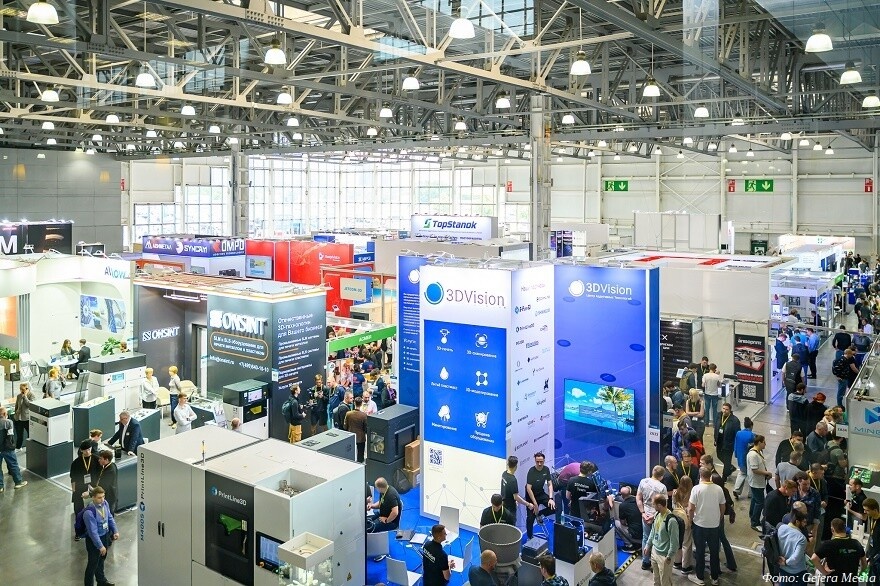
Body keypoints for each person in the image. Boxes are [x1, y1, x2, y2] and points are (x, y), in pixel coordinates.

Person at [688, 467, 725, 586]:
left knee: (700, 551)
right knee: (714, 551)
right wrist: (719, 518)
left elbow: (691, 508)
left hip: (700, 525)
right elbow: (722, 506)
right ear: (710, 476)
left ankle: (700, 577)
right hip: (714, 525)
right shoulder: (718, 489)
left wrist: (690, 520)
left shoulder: (696, 489)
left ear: (700, 476)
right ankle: (715, 577)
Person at [82, 485, 120, 586]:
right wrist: (100, 546)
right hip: (94, 541)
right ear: (93, 497)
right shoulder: (89, 512)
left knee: (101, 560)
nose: (102, 499)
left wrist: (115, 530)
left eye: (103, 496)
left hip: (104, 536)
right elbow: (92, 532)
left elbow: (110, 517)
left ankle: (101, 581)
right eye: (99, 497)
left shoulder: (105, 503)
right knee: (92, 564)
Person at [812, 517, 866, 583]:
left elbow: (814, 558)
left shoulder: (828, 544)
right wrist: (861, 576)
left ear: (832, 529)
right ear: (845, 529)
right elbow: (864, 563)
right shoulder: (856, 543)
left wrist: (824, 572)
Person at [636, 465, 668, 571]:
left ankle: (645, 562)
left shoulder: (643, 482)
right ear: (662, 476)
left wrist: (643, 513)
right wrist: (654, 516)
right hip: (657, 516)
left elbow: (638, 498)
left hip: (645, 515)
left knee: (645, 538)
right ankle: (656, 563)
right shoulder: (662, 487)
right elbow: (664, 505)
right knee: (657, 539)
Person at [645, 494, 677, 586]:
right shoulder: (657, 515)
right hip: (654, 552)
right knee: (656, 579)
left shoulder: (671, 521)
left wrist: (669, 556)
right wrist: (648, 545)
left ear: (659, 505)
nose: (652, 506)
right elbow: (653, 531)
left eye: (653, 504)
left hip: (664, 556)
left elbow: (674, 542)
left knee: (665, 581)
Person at [525, 452, 556, 539]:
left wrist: (551, 498)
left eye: (541, 461)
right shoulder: (531, 471)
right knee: (530, 519)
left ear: (544, 461)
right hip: (531, 496)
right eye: (537, 461)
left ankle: (540, 514)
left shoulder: (546, 469)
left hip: (540, 494)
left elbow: (550, 484)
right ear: (535, 461)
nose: (539, 464)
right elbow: (528, 488)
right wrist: (535, 505)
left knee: (554, 508)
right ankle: (530, 537)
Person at [711, 471, 737, 573]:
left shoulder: (716, 493)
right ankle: (730, 562)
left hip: (716, 518)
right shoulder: (724, 490)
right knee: (721, 539)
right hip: (720, 518)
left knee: (719, 539)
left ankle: (726, 564)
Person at [791, 471, 822, 556]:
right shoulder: (794, 491)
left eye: (808, 484)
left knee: (808, 549)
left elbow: (817, 512)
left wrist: (815, 528)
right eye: (804, 484)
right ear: (799, 482)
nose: (807, 486)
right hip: (794, 524)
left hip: (808, 525)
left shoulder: (815, 493)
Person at [776, 509, 809, 585]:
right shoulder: (801, 538)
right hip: (797, 571)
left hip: (782, 567)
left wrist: (783, 562)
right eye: (803, 522)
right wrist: (786, 562)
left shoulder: (781, 528)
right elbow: (796, 558)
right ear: (797, 522)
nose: (805, 524)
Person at [747, 434, 773, 531]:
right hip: (756, 482)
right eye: (764, 442)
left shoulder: (758, 452)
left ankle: (752, 515)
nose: (765, 444)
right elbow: (754, 469)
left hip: (759, 481)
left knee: (755, 499)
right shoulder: (753, 455)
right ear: (759, 443)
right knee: (760, 502)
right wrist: (767, 473)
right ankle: (755, 522)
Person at [71, 440, 99, 524]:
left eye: (89, 449)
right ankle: (80, 522)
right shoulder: (76, 462)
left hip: (94, 484)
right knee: (78, 507)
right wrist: (73, 489)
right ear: (81, 450)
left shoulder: (96, 459)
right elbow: (73, 477)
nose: (87, 452)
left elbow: (100, 474)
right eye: (85, 450)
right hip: (80, 486)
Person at [0, 406, 27, 492]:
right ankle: (18, 482)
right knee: (13, 465)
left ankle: (0, 486)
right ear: (5, 414)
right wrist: (12, 446)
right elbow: (10, 436)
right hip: (7, 448)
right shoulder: (8, 422)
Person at [671, 476, 694, 574]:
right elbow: (692, 509)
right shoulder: (692, 493)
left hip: (676, 518)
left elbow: (673, 505)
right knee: (686, 543)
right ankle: (685, 566)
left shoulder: (675, 492)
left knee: (677, 541)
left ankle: (676, 562)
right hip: (686, 520)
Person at [714, 402, 739, 483]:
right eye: (723, 408)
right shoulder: (719, 416)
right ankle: (730, 467)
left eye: (726, 409)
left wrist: (735, 445)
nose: (724, 411)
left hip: (729, 444)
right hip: (719, 441)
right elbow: (716, 428)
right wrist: (715, 439)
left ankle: (724, 476)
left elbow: (737, 433)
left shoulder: (734, 420)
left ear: (730, 410)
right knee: (719, 456)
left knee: (727, 460)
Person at [614, 485, 642, 553]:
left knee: (615, 523)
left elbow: (622, 522)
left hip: (636, 536)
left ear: (621, 496)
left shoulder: (623, 506)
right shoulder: (638, 500)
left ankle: (629, 545)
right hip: (644, 534)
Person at [732, 416, 754, 499]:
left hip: (740, 457)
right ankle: (751, 494)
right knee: (751, 475)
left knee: (742, 473)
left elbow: (735, 445)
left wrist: (736, 454)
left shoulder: (738, 433)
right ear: (751, 426)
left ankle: (737, 489)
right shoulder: (752, 435)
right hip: (748, 458)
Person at [343, 396, 368, 462]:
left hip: (351, 436)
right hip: (361, 437)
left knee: (350, 454)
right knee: (360, 455)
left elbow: (345, 426)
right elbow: (366, 428)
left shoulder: (348, 414)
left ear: (354, 403)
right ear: (361, 404)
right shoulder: (364, 415)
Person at [12, 382, 35, 451]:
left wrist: (25, 397)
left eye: (23, 389)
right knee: (19, 434)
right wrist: (16, 414)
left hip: (27, 418)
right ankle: (18, 447)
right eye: (20, 389)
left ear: (27, 388)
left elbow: (30, 405)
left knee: (30, 434)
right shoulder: (19, 396)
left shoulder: (31, 395)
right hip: (19, 418)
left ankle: (29, 447)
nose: (21, 391)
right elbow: (16, 406)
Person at [95, 449, 118, 513]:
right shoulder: (110, 465)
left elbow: (104, 486)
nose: (99, 460)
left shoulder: (110, 471)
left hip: (109, 497)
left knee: (108, 514)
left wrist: (92, 492)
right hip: (108, 496)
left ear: (106, 460)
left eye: (101, 459)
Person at [701, 363, 723, 429]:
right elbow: (719, 385)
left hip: (707, 394)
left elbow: (703, 385)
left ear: (709, 368)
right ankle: (714, 424)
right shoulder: (717, 376)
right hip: (715, 394)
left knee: (707, 409)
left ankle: (706, 423)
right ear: (715, 369)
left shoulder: (705, 375)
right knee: (714, 410)